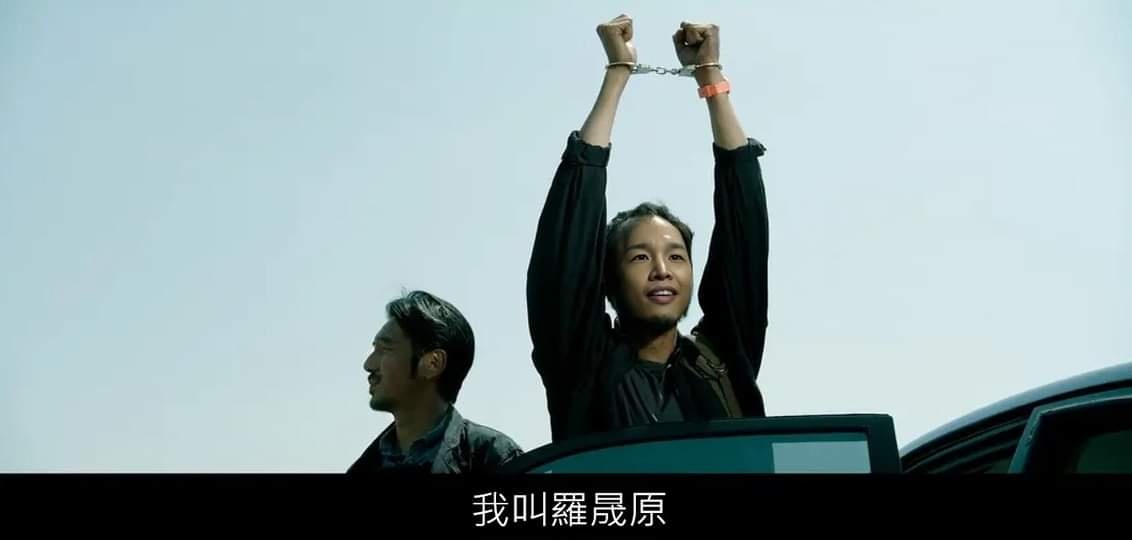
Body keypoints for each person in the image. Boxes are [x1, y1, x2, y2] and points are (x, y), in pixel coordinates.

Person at [527, 15, 771, 443]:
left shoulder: (720, 363)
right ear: (607, 281)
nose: (662, 270)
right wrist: (617, 72)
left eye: (676, 256)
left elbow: (744, 230)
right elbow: (567, 242)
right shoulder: (581, 364)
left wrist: (710, 76)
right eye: (640, 257)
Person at [349, 290, 523, 473]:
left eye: (385, 349)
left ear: (433, 363)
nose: (368, 365)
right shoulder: (363, 468)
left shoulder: (494, 458)